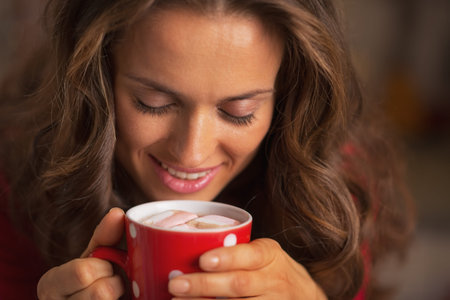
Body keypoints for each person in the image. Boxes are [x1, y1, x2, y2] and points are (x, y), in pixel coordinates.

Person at [0, 0, 414, 299]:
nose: (191, 155)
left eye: (239, 112)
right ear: (99, 80)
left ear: (288, 98)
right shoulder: (18, 179)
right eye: (153, 103)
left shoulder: (333, 194)